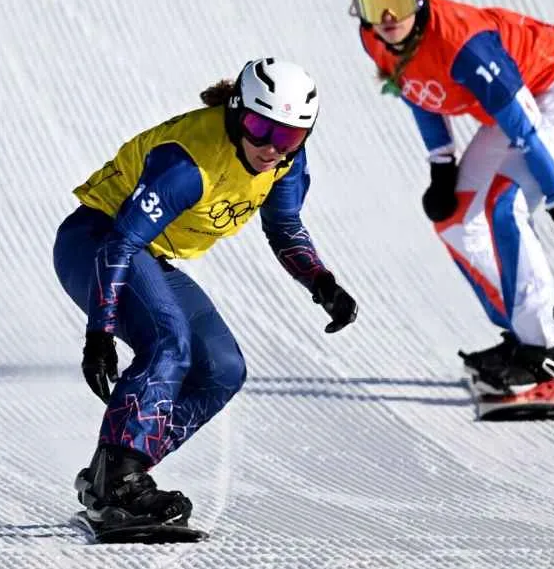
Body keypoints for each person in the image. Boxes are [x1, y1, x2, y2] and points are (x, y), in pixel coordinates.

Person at [52, 58, 359, 530]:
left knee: (222, 368)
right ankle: (120, 478)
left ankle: (114, 471)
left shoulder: (285, 163)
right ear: (237, 113)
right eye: (259, 128)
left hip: (147, 254)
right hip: (97, 240)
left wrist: (322, 282)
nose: (269, 148)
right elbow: (120, 243)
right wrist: (99, 335)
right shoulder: (188, 163)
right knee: (169, 340)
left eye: (288, 137)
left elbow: (284, 226)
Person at [349, 0, 554, 413]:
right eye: (373, 5)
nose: (388, 17)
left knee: (504, 205)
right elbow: (415, 89)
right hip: (511, 109)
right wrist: (441, 166)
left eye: (399, 2)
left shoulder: (464, 46)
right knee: (455, 219)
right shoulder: (375, 38)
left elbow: (526, 129)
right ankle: (528, 335)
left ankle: (546, 357)